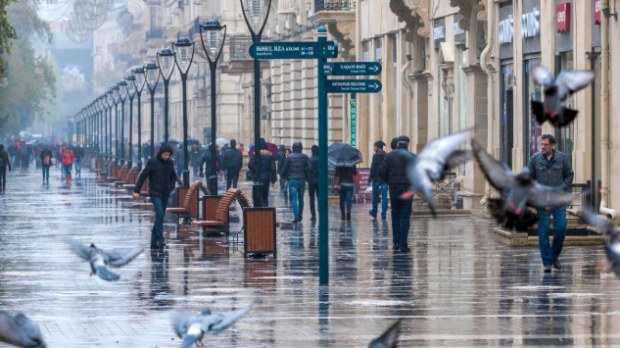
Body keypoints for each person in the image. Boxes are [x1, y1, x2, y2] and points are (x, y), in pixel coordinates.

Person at [527, 134, 574, 272]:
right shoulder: (535, 160)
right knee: (543, 232)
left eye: (545, 145)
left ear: (552, 146)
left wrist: (563, 187)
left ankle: (553, 256)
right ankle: (547, 263)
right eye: (541, 144)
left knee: (561, 229)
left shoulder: (561, 158)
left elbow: (569, 174)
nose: (542, 147)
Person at [133, 144, 183, 249]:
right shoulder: (153, 162)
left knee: (160, 216)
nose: (167, 157)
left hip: (165, 192)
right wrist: (136, 190)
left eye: (169, 155)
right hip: (155, 193)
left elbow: (173, 176)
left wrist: (171, 186)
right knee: (160, 213)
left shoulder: (170, 163)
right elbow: (143, 175)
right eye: (165, 155)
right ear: (160, 153)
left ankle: (153, 240)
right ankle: (160, 239)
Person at [379, 136, 417, 253]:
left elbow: (381, 171)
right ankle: (403, 244)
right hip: (407, 188)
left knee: (395, 215)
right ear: (407, 145)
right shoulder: (413, 157)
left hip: (394, 188)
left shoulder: (389, 156)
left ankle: (395, 243)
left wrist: (389, 181)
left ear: (398, 145)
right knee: (405, 216)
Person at [280, 142, 310, 223]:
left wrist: (284, 177)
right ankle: (300, 216)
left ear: (293, 148)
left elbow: (284, 169)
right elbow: (309, 169)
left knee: (293, 199)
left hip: (292, 180)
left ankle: (296, 216)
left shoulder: (289, 157)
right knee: (301, 199)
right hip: (302, 180)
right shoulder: (305, 157)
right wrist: (307, 177)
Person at [248, 139, 277, 207]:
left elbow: (250, 165)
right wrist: (273, 180)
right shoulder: (269, 155)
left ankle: (258, 211)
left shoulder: (254, 154)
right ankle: (265, 210)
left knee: (257, 196)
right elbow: (273, 168)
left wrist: (255, 171)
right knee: (265, 196)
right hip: (266, 178)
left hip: (257, 178)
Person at [369, 140, 388, 220]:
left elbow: (373, 168)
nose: (374, 148)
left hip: (376, 179)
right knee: (384, 197)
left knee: (375, 196)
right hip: (384, 179)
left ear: (377, 147)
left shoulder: (375, 156)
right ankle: (383, 214)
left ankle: (374, 212)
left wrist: (370, 178)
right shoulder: (386, 155)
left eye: (374, 146)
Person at [307, 145, 319, 221]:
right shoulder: (321, 159)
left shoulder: (310, 159)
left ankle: (313, 215)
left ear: (312, 151)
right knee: (319, 198)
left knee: (311, 199)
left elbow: (308, 170)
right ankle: (320, 212)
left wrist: (308, 179)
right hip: (319, 181)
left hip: (311, 181)